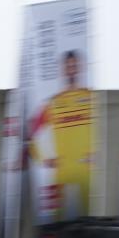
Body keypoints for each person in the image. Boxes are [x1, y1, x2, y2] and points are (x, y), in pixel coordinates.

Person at [28, 50, 94, 222]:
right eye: (68, 65)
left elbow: (108, 126)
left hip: (87, 168)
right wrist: (43, 158)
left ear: (81, 67)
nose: (71, 68)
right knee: (56, 220)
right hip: (62, 168)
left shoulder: (92, 97)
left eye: (74, 64)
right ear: (63, 69)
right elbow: (32, 129)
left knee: (91, 219)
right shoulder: (53, 102)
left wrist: (99, 152)